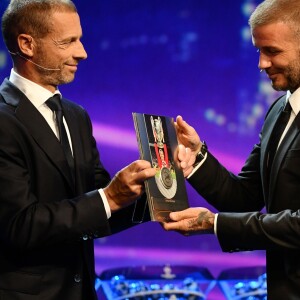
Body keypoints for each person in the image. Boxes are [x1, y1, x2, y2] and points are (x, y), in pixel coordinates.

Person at [0, 1, 156, 299]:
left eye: (79, 39)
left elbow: (96, 210)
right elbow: (18, 225)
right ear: (27, 44)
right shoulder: (3, 121)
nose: (82, 52)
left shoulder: (76, 116)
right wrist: (109, 197)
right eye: (68, 41)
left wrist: (157, 191)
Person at [163, 0, 300, 298]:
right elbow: (245, 198)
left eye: (273, 51)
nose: (262, 64)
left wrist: (214, 224)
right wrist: (197, 158)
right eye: (259, 51)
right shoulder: (279, 110)